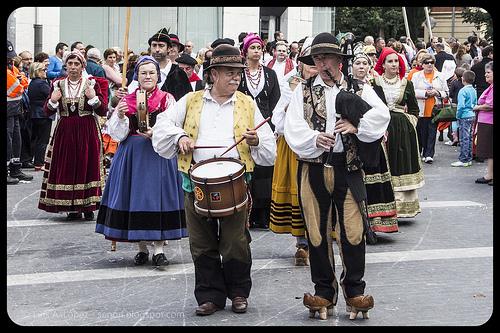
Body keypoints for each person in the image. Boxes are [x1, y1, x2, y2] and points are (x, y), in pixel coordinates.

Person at [151, 44, 276, 316]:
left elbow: (269, 150)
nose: (236, 78)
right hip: (195, 182)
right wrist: (179, 137)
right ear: (213, 74)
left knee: (235, 241)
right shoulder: (190, 101)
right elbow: (163, 125)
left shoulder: (247, 103)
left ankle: (239, 292)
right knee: (201, 242)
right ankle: (209, 295)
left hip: (235, 182)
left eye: (238, 74)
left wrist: (255, 141)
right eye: (229, 73)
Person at [284, 32, 390, 320]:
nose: (321, 63)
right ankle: (323, 292)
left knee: (353, 232)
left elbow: (382, 116)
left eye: (326, 58)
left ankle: (355, 291)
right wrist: (313, 138)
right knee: (316, 233)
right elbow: (291, 126)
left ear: (338, 61)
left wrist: (357, 126)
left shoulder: (358, 87)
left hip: (348, 168)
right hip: (313, 167)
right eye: (317, 58)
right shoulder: (302, 90)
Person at [95, 56, 186, 266]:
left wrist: (157, 133)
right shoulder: (127, 99)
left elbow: (175, 126)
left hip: (159, 154)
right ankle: (142, 247)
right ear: (137, 75)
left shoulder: (167, 99)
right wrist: (119, 115)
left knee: (158, 198)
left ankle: (160, 248)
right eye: (143, 73)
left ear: (157, 76)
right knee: (135, 198)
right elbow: (117, 134)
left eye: (151, 72)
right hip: (132, 155)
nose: (147, 76)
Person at [38, 50, 108, 220]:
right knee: (67, 165)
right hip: (65, 130)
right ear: (65, 66)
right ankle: (70, 206)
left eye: (77, 64)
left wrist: (94, 98)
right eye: (70, 64)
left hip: (87, 129)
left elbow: (103, 110)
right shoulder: (57, 84)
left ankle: (87, 206)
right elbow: (46, 112)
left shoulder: (91, 84)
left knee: (86, 164)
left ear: (82, 66)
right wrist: (53, 100)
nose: (73, 67)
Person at [269, 37, 315, 265]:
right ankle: (302, 243)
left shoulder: (331, 84)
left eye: (317, 62)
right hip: (294, 147)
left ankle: (318, 239)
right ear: (301, 65)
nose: (313, 67)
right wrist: (292, 103)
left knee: (317, 194)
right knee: (298, 194)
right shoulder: (290, 83)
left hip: (320, 146)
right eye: (309, 63)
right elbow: (278, 119)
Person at [372, 47, 424, 219]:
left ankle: (403, 207)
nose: (394, 64)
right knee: (384, 163)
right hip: (382, 127)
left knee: (401, 164)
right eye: (390, 61)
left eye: (396, 61)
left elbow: (415, 109)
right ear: (383, 64)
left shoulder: (406, 83)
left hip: (402, 130)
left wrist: (411, 122)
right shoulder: (375, 83)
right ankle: (385, 205)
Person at [351, 51, 398, 238]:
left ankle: (374, 225)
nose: (361, 67)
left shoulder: (375, 88)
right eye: (358, 63)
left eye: (365, 63)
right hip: (354, 140)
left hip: (373, 140)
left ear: (369, 67)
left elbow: (382, 113)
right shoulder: (346, 87)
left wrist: (380, 129)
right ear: (352, 66)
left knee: (374, 180)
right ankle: (358, 224)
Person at [239, 32, 281, 229]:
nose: (256, 51)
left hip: (265, 125)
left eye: (259, 48)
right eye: (252, 48)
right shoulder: (239, 73)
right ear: (245, 51)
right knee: (248, 168)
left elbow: (275, 101)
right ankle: (248, 211)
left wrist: (273, 127)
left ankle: (264, 213)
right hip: (243, 125)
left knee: (265, 170)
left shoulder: (270, 74)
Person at [128, 28, 191, 101]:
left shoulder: (179, 73)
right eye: (154, 45)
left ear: (169, 48)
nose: (157, 49)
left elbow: (188, 100)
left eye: (161, 46)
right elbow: (130, 96)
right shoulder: (139, 70)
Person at [411, 53, 449, 164]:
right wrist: (425, 93)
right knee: (421, 132)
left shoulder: (440, 76)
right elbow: (412, 91)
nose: (429, 65)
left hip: (434, 109)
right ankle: (420, 152)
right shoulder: (416, 76)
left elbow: (446, 92)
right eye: (427, 63)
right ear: (422, 64)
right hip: (420, 108)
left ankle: (429, 154)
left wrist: (437, 92)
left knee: (432, 133)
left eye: (431, 62)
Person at [7, 40, 32, 184]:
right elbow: (18, 86)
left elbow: (24, 82)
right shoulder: (10, 69)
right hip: (9, 109)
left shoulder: (12, 68)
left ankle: (15, 168)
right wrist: (20, 81)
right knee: (9, 139)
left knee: (17, 138)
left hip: (16, 108)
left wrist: (20, 81)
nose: (10, 59)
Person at [27, 62, 55, 171]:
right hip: (43, 114)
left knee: (37, 138)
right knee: (43, 140)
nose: (46, 72)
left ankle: (36, 160)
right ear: (38, 71)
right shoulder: (42, 84)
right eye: (44, 70)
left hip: (34, 113)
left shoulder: (33, 83)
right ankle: (39, 162)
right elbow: (50, 95)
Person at [451, 70, 477, 167]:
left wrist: (458, 115)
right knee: (469, 137)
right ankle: (469, 158)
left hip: (464, 116)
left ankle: (463, 159)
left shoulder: (463, 91)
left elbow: (461, 105)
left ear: (463, 79)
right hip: (472, 114)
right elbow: (475, 102)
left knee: (463, 138)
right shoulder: (473, 90)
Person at [474, 61, 493, 186]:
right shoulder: (491, 87)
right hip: (486, 121)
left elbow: (490, 105)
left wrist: (477, 107)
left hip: (490, 122)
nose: (485, 75)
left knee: (490, 150)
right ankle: (490, 174)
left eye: (488, 72)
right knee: (490, 151)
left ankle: (490, 175)